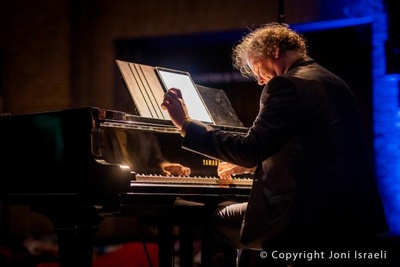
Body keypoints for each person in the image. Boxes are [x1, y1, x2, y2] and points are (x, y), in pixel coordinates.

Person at [161, 22, 388, 266]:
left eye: (256, 68)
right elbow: (313, 148)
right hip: (353, 214)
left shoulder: (285, 84)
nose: (259, 80)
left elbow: (249, 150)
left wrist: (185, 124)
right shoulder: (332, 80)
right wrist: (253, 166)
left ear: (275, 50)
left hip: (306, 218)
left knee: (212, 219)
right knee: (239, 211)